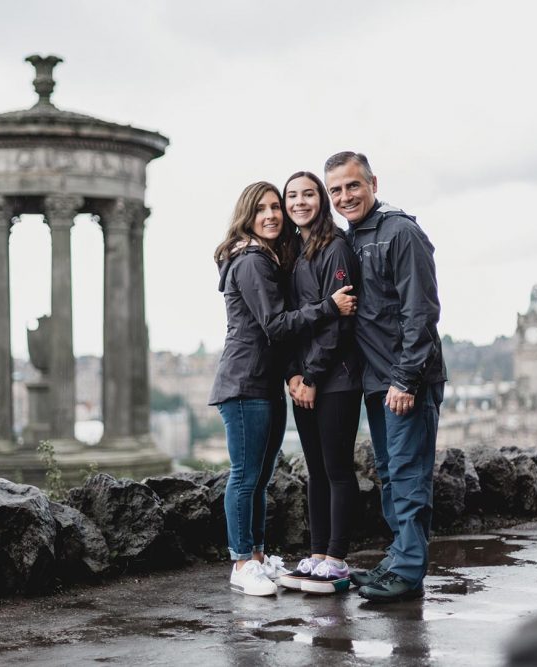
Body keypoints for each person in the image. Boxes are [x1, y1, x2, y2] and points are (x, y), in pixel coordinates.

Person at [209, 181, 356, 597]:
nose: (273, 214)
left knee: (259, 477)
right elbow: (275, 324)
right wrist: (329, 306)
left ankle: (255, 556)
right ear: (247, 216)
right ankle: (242, 562)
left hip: (263, 382)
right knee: (245, 477)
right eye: (263, 209)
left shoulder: (270, 258)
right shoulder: (254, 261)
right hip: (245, 382)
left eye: (277, 206)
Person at [324, 152, 446, 602]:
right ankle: (398, 560)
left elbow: (421, 312)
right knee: (392, 476)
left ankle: (409, 572)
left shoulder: (401, 232)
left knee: (410, 476)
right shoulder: (352, 238)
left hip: (404, 380)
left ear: (373, 182)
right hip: (377, 381)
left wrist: (406, 379)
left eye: (352, 186)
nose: (344, 197)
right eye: (335, 190)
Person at [275, 172, 363, 595]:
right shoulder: (293, 253)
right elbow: (290, 322)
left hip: (337, 380)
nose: (299, 202)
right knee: (315, 470)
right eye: (292, 195)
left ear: (321, 200)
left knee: (337, 468)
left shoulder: (335, 248)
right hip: (303, 380)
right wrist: (292, 374)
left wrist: (310, 376)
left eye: (308, 194)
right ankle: (316, 552)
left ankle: (337, 558)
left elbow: (338, 327)